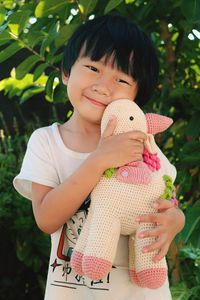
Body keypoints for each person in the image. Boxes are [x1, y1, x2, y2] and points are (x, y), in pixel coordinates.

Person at [13, 14, 185, 300]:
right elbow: (46, 218)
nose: (103, 86)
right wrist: (99, 160)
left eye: (121, 78)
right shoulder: (47, 142)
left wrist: (175, 220)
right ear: (66, 72)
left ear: (136, 96)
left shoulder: (141, 141)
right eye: (93, 68)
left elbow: (166, 195)